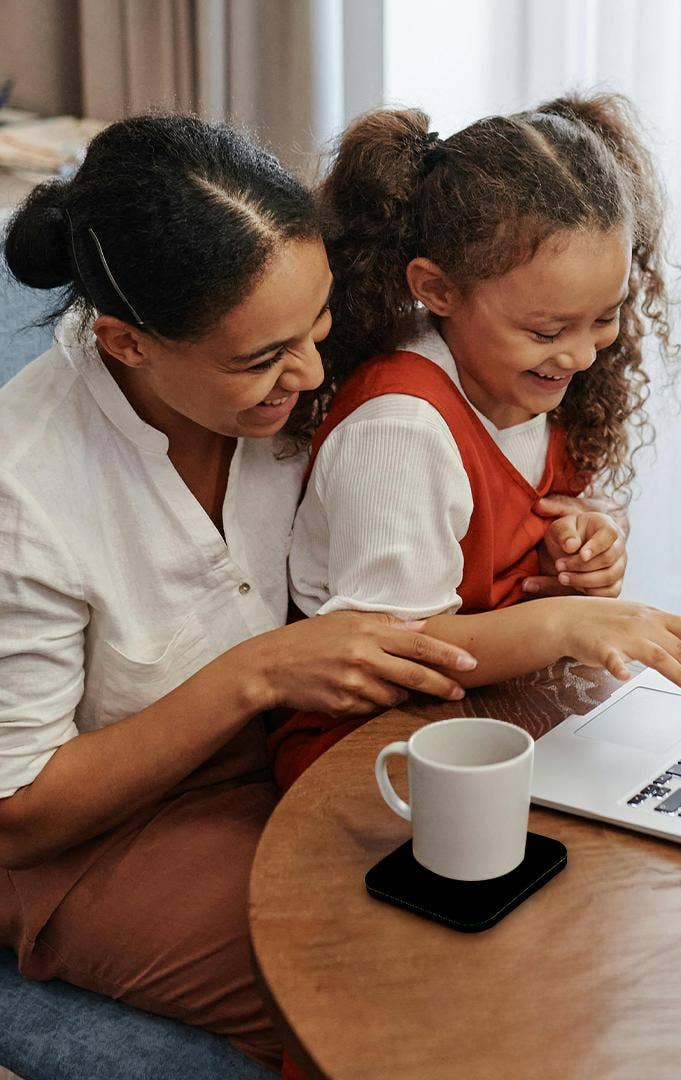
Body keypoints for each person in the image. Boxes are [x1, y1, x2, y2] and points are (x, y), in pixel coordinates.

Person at [0, 115, 478, 1070]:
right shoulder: (27, 490)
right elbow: (18, 809)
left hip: (291, 762)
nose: (307, 374)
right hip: (93, 839)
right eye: (261, 358)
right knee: (386, 994)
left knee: (515, 909)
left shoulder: (294, 384)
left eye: (319, 327)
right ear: (126, 344)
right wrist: (257, 674)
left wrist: (576, 522)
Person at [271, 93, 681, 794]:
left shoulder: (525, 382)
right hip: (371, 749)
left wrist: (591, 539)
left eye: (604, 319)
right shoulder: (399, 430)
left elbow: (532, 516)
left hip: (492, 717)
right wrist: (566, 624)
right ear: (436, 289)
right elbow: (400, 649)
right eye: (549, 331)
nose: (581, 356)